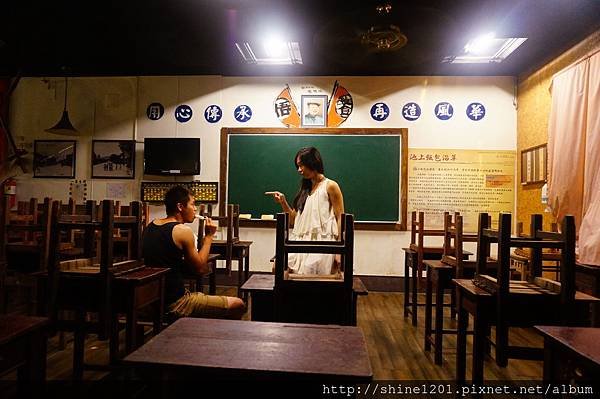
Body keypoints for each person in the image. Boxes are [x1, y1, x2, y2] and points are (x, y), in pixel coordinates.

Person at [142, 185, 245, 319]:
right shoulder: (183, 231)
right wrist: (209, 237)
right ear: (180, 207)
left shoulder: (151, 226)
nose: (195, 209)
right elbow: (200, 269)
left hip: (150, 302)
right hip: (177, 303)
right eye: (193, 204)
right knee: (238, 304)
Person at [267, 147, 344, 275]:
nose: (299, 170)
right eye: (298, 166)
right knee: (278, 267)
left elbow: (340, 218)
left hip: (322, 243)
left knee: (309, 274)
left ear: (312, 163)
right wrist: (283, 202)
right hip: (299, 242)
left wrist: (339, 250)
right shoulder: (304, 190)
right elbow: (293, 221)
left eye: (301, 165)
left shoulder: (330, 186)